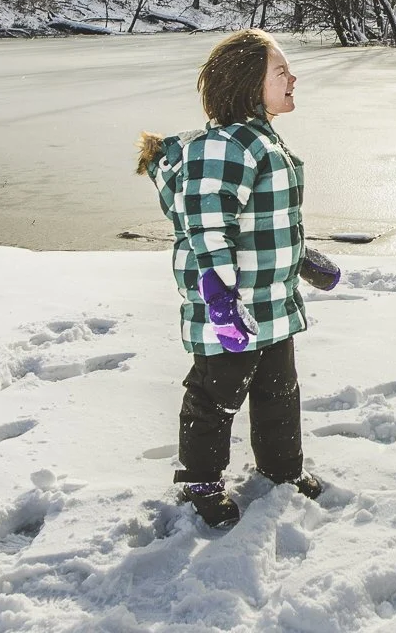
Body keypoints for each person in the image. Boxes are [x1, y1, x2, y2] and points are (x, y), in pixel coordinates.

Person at [136, 29, 337, 527]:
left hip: (271, 302)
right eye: (280, 72)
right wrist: (219, 299)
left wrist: (302, 259)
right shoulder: (227, 147)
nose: (293, 78)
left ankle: (281, 470)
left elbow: (263, 220)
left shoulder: (262, 141)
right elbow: (208, 228)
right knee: (215, 395)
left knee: (279, 392)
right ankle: (201, 481)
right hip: (231, 308)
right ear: (250, 84)